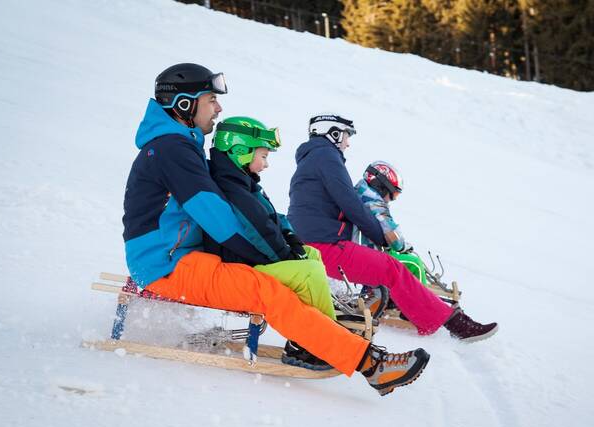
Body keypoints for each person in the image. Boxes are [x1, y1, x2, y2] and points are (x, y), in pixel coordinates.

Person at [121, 63, 429, 395]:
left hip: (181, 257)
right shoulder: (173, 149)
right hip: (164, 266)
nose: (219, 108)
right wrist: (265, 260)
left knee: (278, 282)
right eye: (211, 99)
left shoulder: (180, 145)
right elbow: (217, 219)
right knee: (269, 291)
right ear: (184, 104)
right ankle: (371, 364)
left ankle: (323, 342)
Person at [287, 113, 498, 341]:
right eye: (347, 136)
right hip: (323, 247)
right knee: (392, 268)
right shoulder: (326, 157)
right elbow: (352, 204)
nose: (348, 143)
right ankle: (456, 325)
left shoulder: (314, 159)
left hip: (314, 245)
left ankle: (426, 312)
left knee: (387, 268)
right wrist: (380, 235)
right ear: (334, 133)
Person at [204, 115, 336, 368]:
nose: (266, 164)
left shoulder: (243, 181)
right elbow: (258, 230)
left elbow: (273, 217)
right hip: (237, 264)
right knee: (308, 273)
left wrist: (291, 239)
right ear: (240, 151)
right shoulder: (231, 186)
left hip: (249, 257)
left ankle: (315, 332)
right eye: (263, 156)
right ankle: (317, 343)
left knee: (312, 256)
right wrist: (286, 255)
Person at [353, 161, 429, 285]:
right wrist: (403, 246)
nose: (393, 199)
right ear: (381, 186)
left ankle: (381, 295)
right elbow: (393, 236)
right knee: (415, 264)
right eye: (393, 194)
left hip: (362, 248)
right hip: (366, 253)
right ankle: (422, 301)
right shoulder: (374, 204)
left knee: (394, 255)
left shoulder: (361, 193)